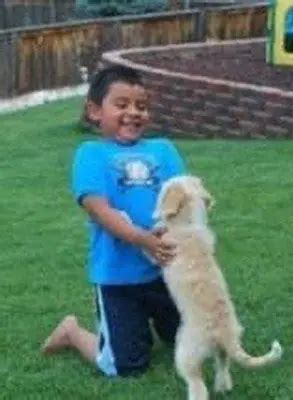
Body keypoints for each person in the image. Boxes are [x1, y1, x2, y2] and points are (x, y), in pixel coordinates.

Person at [41, 65, 186, 377]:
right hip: (119, 280)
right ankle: (72, 332)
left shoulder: (164, 150)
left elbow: (182, 197)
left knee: (190, 343)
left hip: (167, 274)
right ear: (95, 111)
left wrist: (177, 229)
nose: (133, 112)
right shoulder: (91, 154)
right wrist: (142, 239)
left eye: (141, 106)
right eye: (122, 104)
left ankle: (150, 326)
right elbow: (99, 210)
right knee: (125, 366)